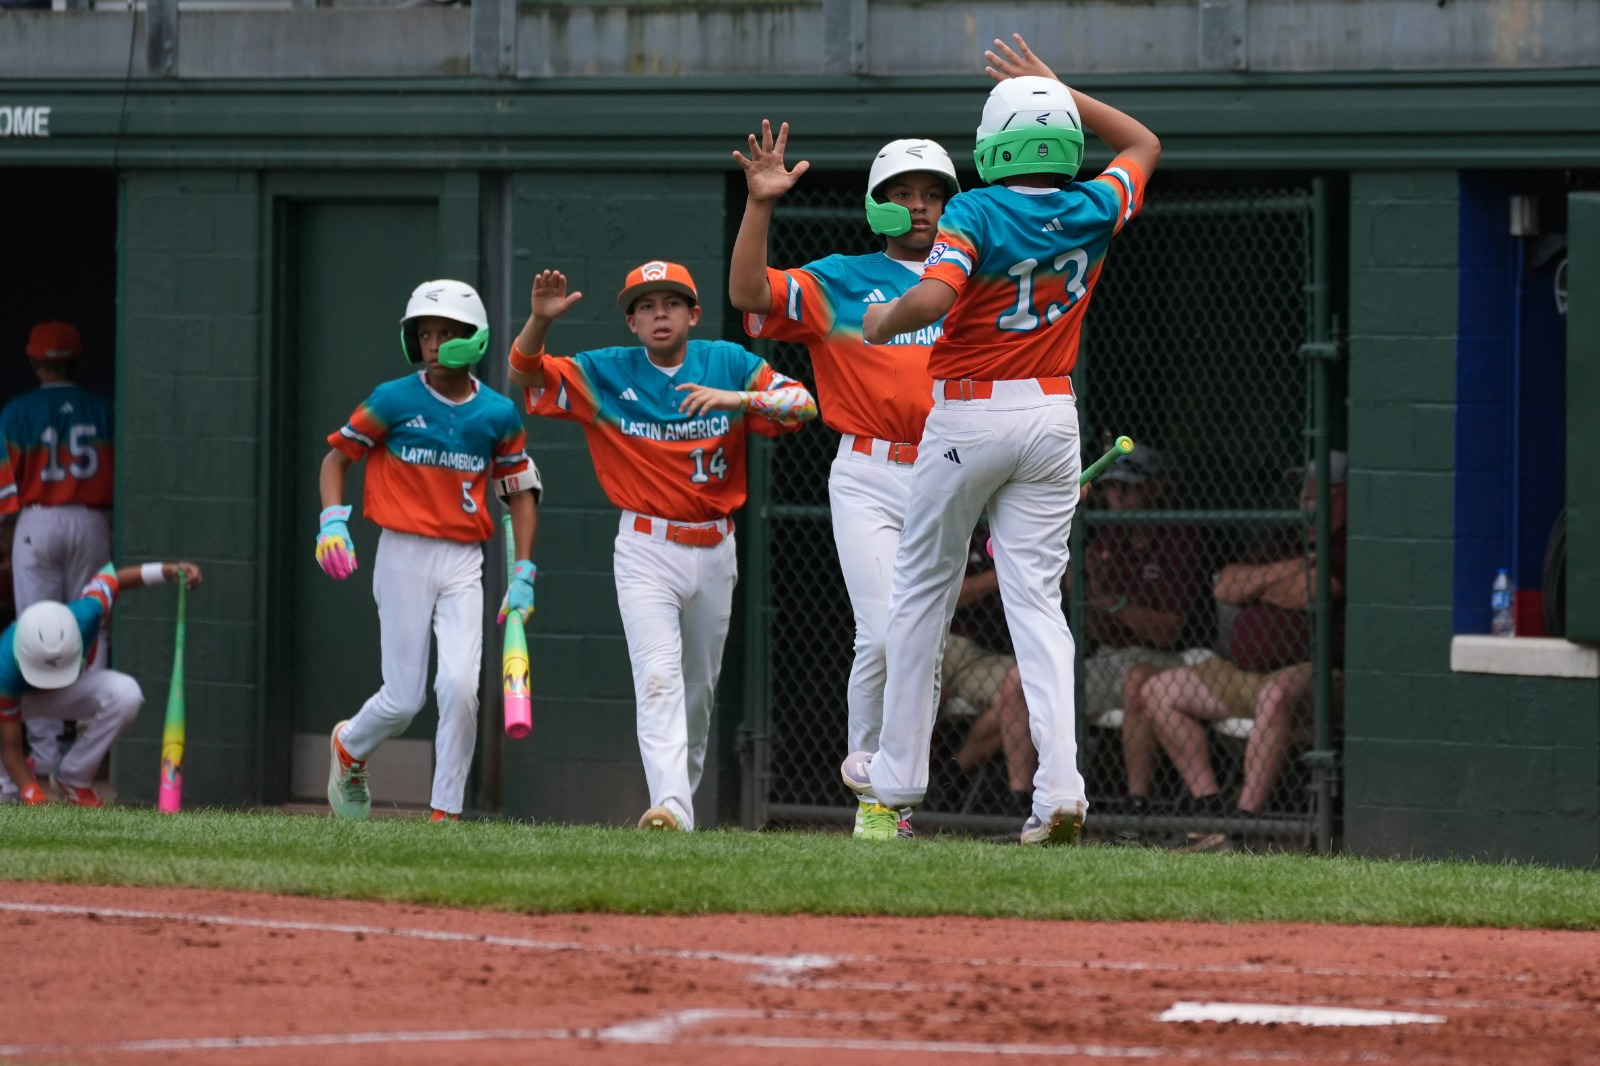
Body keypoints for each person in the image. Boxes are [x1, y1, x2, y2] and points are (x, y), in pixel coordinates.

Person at [841, 33, 1161, 846]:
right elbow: (1143, 143)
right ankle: (1060, 793)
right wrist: (1063, 89)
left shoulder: (977, 208)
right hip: (1054, 414)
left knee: (918, 593)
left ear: (994, 145)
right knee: (1040, 607)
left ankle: (895, 786)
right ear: (1058, 143)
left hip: (968, 416)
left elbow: (933, 294)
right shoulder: (1093, 203)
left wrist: (880, 317)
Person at [507, 261, 816, 831]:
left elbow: (803, 405)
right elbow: (525, 374)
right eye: (646, 306)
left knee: (697, 694)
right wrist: (538, 322)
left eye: (671, 303)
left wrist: (738, 401)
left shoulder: (728, 363)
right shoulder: (606, 371)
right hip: (647, 546)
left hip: (715, 547)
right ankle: (671, 805)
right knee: (659, 675)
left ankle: (679, 805)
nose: (659, 314)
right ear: (631, 321)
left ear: (692, 314)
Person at [728, 119, 960, 839]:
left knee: (918, 644)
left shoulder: (972, 281)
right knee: (885, 633)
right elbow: (749, 294)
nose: (918, 206)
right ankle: (875, 787)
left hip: (951, 471)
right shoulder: (841, 279)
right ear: (876, 203)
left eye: (932, 194)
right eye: (902, 193)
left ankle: (895, 801)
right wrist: (762, 203)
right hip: (867, 471)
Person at [319, 279, 541, 823]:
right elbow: (337, 460)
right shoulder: (393, 398)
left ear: (475, 338)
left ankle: (446, 814)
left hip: (465, 559)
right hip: (402, 553)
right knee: (403, 700)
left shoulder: (498, 415)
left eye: (448, 333)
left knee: (462, 688)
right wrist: (332, 522)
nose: (434, 344)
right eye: (424, 334)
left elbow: (520, 495)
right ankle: (350, 747)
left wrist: (524, 572)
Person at [944, 447, 1205, 816]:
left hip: (1163, 662)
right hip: (1104, 660)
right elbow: (1095, 629)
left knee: (1135, 680)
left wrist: (1112, 603)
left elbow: (1168, 634)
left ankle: (1135, 806)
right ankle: (1017, 801)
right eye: (1113, 488)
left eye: (1129, 489)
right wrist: (1090, 597)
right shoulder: (1106, 542)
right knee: (1021, 682)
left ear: (1156, 488)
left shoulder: (1178, 541)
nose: (1117, 497)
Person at [1140, 451, 1348, 849]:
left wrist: (1260, 584)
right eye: (1302, 488)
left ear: (1342, 496)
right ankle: (1211, 804)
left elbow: (1308, 593)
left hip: (1313, 675)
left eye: (1316, 489)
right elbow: (1227, 587)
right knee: (1157, 691)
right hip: (1243, 673)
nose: (1305, 497)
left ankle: (1242, 822)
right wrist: (1297, 564)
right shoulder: (1285, 540)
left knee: (1275, 696)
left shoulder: (1344, 545)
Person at [0, 320, 115, 796]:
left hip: (38, 519)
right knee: (94, 622)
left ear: (32, 361)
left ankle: (44, 752)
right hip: (92, 519)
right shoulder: (104, 410)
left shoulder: (18, 411)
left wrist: (7, 543)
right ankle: (84, 747)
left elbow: (6, 490)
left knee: (36, 628)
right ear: (77, 359)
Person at [0, 560, 203, 807]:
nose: (49, 683)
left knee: (125, 693)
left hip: (67, 691)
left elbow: (114, 580)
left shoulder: (87, 614)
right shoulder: (5, 663)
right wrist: (33, 794)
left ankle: (73, 777)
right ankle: (8, 784)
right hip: (19, 699)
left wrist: (168, 571)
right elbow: (10, 744)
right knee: (11, 794)